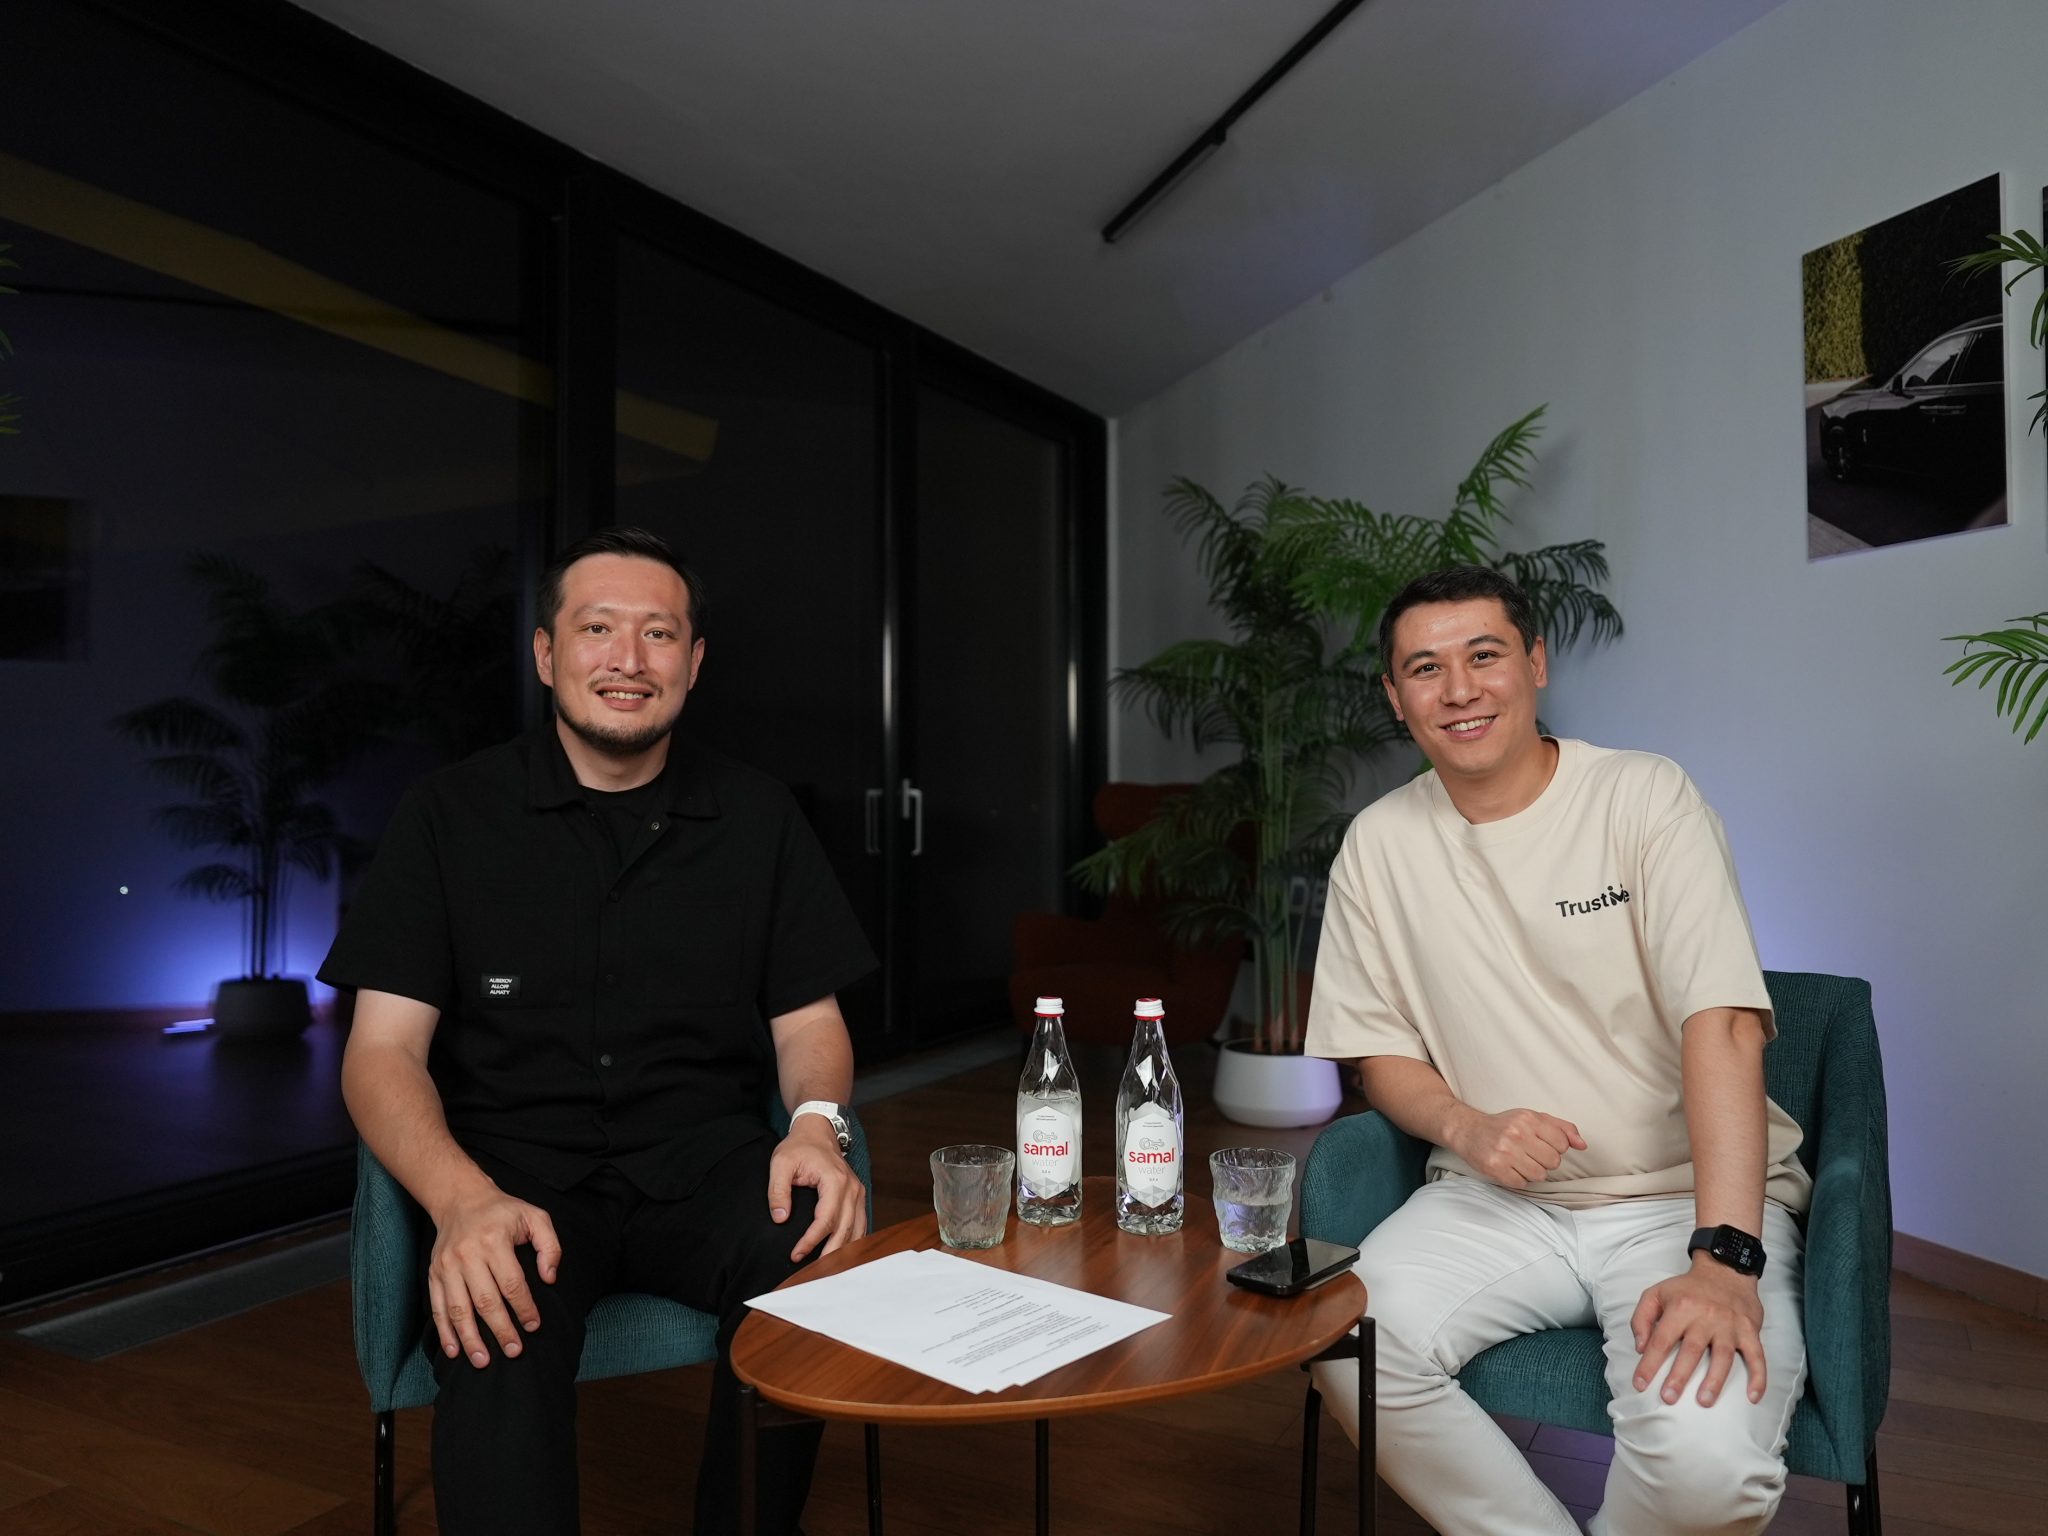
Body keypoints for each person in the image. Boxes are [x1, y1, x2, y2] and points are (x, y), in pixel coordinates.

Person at [322, 526, 876, 1535]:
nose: (628, 659)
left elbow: (810, 1020)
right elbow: (380, 1052)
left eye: (658, 634)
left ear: (693, 663)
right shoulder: (448, 816)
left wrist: (816, 1127)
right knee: (496, 1307)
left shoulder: (759, 817)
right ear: (546, 654)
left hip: (705, 1165)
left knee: (810, 1249)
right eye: (597, 629)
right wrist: (459, 1203)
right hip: (514, 1175)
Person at [1304, 566, 1809, 1536]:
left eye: (1483, 655)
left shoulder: (1642, 795)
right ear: (1395, 696)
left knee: (1706, 1478)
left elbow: (1725, 1023)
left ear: (1534, 663)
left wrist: (1723, 1257)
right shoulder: (1378, 844)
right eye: (1425, 668)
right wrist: (1465, 1127)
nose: (1458, 689)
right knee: (1343, 1336)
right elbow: (1378, 1055)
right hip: (1491, 1202)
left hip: (1679, 1199)